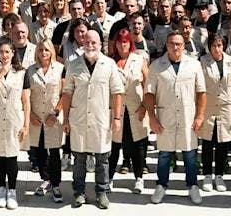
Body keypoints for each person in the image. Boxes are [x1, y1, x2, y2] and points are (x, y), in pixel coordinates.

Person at [62, 29, 125, 209]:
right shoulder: (73, 65)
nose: (90, 45)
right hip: (79, 118)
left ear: (100, 45)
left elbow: (117, 92)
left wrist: (117, 118)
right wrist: (65, 119)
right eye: (87, 42)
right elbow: (67, 93)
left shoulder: (109, 64)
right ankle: (79, 192)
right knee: (79, 159)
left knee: (102, 158)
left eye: (94, 43)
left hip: (101, 118)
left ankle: (101, 192)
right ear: (82, 44)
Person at [145, 31, 206, 205]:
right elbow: (149, 94)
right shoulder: (157, 65)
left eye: (179, 44)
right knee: (164, 154)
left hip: (188, 116)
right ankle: (161, 185)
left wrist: (200, 116)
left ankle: (192, 185)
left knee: (190, 154)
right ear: (167, 45)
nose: (175, 47)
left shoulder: (194, 65)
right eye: (172, 43)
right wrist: (152, 118)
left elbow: (201, 92)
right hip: (165, 116)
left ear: (184, 46)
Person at [0, 38, 31, 210]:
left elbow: (26, 101)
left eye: (7, 52)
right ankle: (1, 189)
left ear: (13, 53)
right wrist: (0, 75)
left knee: (11, 157)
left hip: (14, 119)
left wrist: (26, 125)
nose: (4, 55)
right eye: (1, 52)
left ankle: (12, 191)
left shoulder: (22, 72)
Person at [109, 28, 149, 194]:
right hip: (116, 111)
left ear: (130, 43)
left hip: (136, 108)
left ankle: (139, 178)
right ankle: (108, 178)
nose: (122, 45)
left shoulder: (139, 60)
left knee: (137, 146)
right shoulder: (109, 62)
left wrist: (145, 106)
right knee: (113, 146)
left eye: (125, 42)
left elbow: (149, 85)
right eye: (119, 42)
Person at [198, 33, 231, 193]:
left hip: (225, 106)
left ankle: (219, 175)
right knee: (208, 142)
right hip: (208, 106)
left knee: (223, 143)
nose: (217, 49)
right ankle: (207, 175)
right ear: (209, 47)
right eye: (214, 45)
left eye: (220, 45)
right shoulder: (203, 61)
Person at [27, 39, 65, 203]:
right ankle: (46, 179)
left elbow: (65, 93)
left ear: (52, 52)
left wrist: (56, 112)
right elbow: (26, 95)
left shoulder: (60, 69)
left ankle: (56, 184)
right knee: (39, 150)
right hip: (36, 116)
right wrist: (30, 115)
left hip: (53, 116)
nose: (44, 53)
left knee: (55, 152)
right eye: (41, 50)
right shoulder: (30, 70)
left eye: (47, 50)